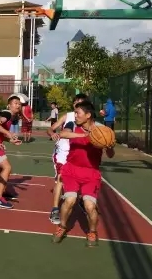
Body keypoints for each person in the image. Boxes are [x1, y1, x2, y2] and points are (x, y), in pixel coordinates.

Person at [52, 101, 114, 247]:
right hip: (71, 170)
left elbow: (111, 155)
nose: (75, 115)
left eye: (78, 113)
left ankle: (92, 232)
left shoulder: (101, 130)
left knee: (89, 206)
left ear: (88, 115)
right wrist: (85, 135)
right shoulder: (73, 125)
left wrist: (109, 146)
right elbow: (63, 133)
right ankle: (62, 227)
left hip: (91, 173)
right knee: (69, 200)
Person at [46, 93, 89, 225]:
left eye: (80, 103)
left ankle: (81, 200)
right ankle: (55, 209)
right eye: (75, 102)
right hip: (63, 153)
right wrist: (52, 133)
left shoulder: (88, 120)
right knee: (61, 178)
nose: (77, 105)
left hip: (78, 153)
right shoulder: (68, 116)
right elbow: (51, 129)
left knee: (81, 178)